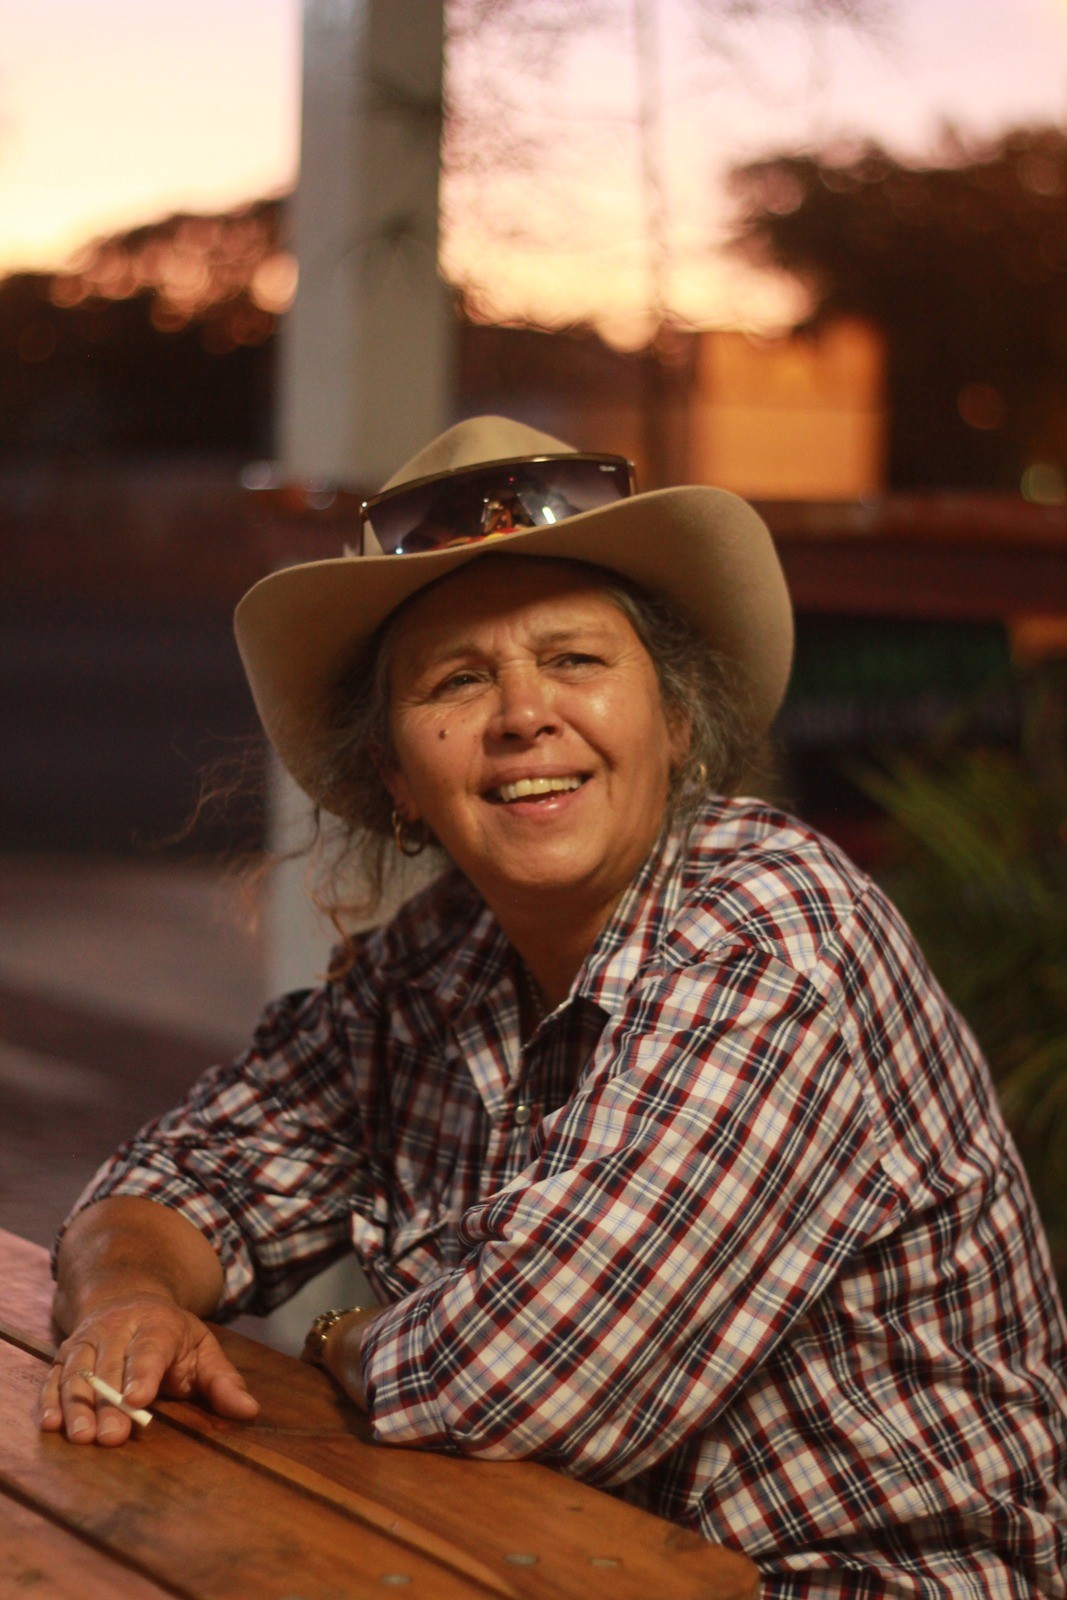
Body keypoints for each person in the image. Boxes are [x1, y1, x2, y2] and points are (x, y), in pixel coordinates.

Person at [40, 416, 1067, 1596]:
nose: (523, 712)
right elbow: (187, 1172)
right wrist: (126, 1292)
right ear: (397, 779)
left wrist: (332, 1339)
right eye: (458, 678)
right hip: (554, 1562)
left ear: (675, 725)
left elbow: (524, 1381)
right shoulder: (432, 961)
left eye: (575, 660)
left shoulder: (776, 928)